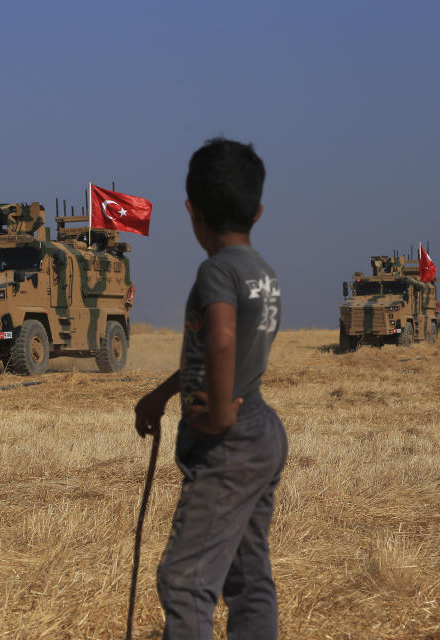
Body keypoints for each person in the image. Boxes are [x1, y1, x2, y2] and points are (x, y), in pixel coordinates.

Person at [134, 137, 287, 640]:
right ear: (258, 211)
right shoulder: (264, 274)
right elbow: (227, 349)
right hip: (262, 429)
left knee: (184, 582)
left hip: (230, 438)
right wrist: (164, 393)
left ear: (192, 212)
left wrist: (219, 414)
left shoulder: (216, 271)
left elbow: (220, 337)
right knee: (247, 577)